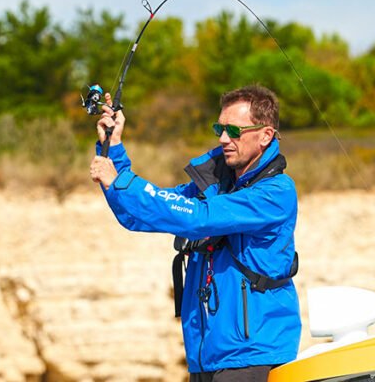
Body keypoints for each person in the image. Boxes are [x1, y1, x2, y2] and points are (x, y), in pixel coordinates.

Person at [89, 84, 301, 382]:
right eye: (220, 129)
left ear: (266, 135)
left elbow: (199, 219)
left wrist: (122, 181)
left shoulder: (276, 192)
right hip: (205, 357)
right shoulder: (213, 187)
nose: (224, 138)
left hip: (251, 356)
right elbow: (140, 214)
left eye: (235, 131)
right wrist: (114, 152)